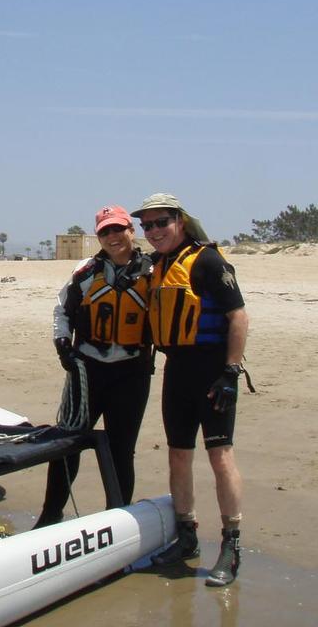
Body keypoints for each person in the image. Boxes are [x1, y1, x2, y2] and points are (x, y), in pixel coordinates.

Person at [133, 192, 251, 587]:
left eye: (160, 222)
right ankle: (187, 538)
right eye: (146, 225)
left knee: (220, 457)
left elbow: (238, 317)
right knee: (178, 457)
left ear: (180, 221)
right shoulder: (158, 266)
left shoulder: (208, 261)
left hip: (212, 373)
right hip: (177, 372)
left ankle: (231, 546)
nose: (153, 231)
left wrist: (231, 373)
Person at [33, 205, 154, 528]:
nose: (113, 237)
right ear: (99, 237)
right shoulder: (85, 272)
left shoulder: (154, 273)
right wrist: (63, 346)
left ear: (132, 230)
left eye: (118, 229)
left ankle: (117, 517)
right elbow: (62, 312)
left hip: (131, 374)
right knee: (67, 443)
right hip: (86, 370)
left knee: (120, 450)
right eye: (105, 232)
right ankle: (50, 514)